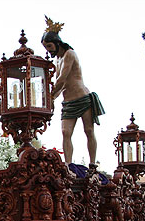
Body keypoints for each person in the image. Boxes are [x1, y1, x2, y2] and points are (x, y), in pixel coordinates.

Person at [41, 17, 104, 166]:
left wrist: (49, 97)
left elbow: (62, 79)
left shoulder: (70, 54)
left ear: (57, 43)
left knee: (88, 130)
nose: (48, 50)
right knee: (65, 132)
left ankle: (92, 163)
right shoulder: (58, 59)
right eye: (46, 48)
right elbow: (60, 85)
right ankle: (68, 164)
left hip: (82, 97)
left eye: (49, 46)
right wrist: (50, 99)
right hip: (68, 101)